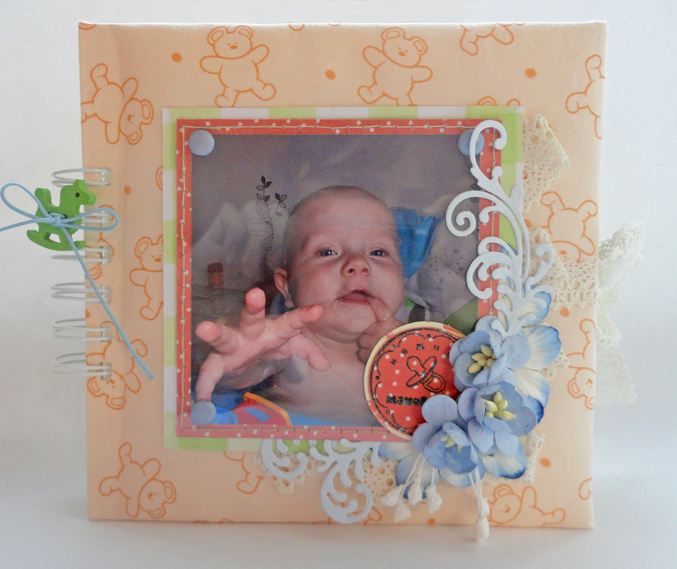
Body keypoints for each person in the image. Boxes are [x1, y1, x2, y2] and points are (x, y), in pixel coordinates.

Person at [192, 186, 405, 426]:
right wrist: (242, 358)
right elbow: (250, 365)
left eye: (378, 252)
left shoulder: (419, 346)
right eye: (327, 251)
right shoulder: (288, 347)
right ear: (286, 287)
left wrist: (411, 357)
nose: (358, 263)